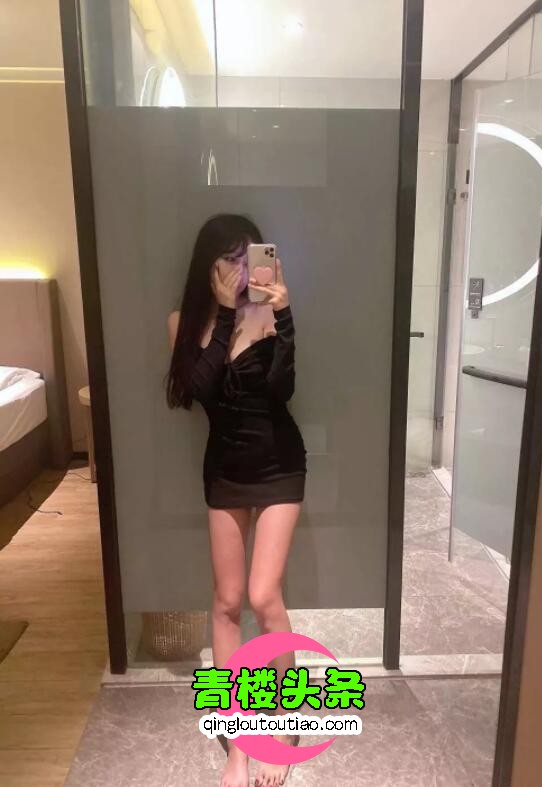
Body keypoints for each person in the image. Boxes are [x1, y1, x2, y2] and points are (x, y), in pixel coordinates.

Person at [166, 214, 306, 787]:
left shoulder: (269, 313)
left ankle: (285, 731)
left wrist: (284, 317)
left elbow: (282, 391)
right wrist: (225, 316)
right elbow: (195, 391)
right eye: (228, 258)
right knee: (226, 602)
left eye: (247, 257)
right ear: (208, 265)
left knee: (263, 594)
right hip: (224, 471)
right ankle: (240, 747)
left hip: (279, 465)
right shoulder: (183, 323)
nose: (240, 269)